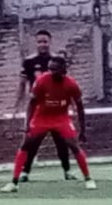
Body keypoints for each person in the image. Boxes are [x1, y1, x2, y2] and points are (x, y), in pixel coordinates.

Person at [1, 56, 96, 193]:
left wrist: (83, 130)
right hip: (41, 117)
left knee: (73, 145)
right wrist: (27, 123)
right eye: (50, 69)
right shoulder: (42, 81)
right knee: (26, 145)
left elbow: (80, 108)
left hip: (61, 118)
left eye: (55, 69)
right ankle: (14, 183)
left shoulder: (71, 84)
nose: (52, 72)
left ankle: (88, 178)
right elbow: (31, 104)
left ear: (63, 69)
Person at [12, 30, 76, 182]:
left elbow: (67, 83)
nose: (42, 44)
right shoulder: (29, 61)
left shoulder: (57, 61)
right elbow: (22, 85)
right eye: (40, 41)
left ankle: (67, 171)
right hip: (38, 108)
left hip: (56, 107)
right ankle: (25, 172)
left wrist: (72, 103)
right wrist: (17, 105)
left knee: (61, 140)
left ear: (50, 42)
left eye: (45, 41)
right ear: (36, 43)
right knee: (32, 140)